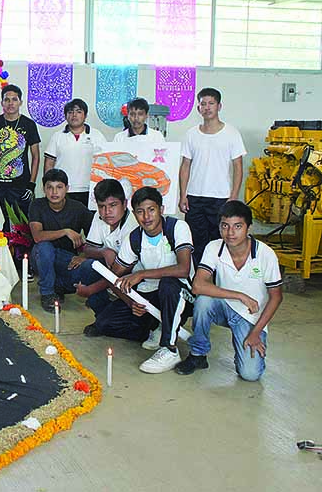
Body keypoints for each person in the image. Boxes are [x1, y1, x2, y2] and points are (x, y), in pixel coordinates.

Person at [85, 187, 194, 374]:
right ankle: (155, 328)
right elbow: (115, 278)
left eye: (151, 210)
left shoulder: (177, 227)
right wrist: (130, 302)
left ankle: (169, 349)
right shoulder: (134, 238)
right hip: (150, 293)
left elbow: (183, 269)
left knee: (169, 284)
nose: (146, 217)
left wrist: (142, 274)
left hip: (182, 293)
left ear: (161, 209)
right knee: (104, 323)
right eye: (140, 211)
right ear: (134, 214)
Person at [176, 201, 283, 381]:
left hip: (250, 317)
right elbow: (197, 285)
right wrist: (240, 296)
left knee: (250, 374)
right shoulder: (214, 247)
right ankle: (198, 354)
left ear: (249, 227)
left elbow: (276, 297)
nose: (230, 232)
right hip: (223, 307)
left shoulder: (265, 254)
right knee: (203, 301)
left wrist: (256, 332)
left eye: (237, 226)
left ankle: (242, 352)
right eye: (225, 226)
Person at [179, 87, 246, 266]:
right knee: (196, 242)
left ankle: (219, 277)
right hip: (194, 198)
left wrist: (233, 196)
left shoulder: (231, 133)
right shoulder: (191, 134)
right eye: (203, 104)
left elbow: (238, 166)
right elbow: (185, 166)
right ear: (198, 108)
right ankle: (198, 278)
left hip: (221, 198)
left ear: (219, 106)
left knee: (220, 241)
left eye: (211, 103)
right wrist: (183, 195)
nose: (207, 107)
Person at [29, 169, 94, 311]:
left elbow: (94, 238)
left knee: (90, 266)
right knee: (45, 247)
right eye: (50, 187)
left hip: (66, 259)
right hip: (41, 257)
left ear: (67, 188)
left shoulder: (78, 208)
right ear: (44, 189)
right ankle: (47, 293)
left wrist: (83, 256)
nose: (54, 192)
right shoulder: (37, 205)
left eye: (59, 187)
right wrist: (66, 231)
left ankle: (58, 286)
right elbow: (38, 236)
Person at [74, 179, 141, 315]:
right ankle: (101, 313)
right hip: (112, 272)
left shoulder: (133, 226)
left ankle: (114, 311)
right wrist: (104, 251)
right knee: (87, 266)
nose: (107, 212)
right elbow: (88, 249)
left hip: (132, 277)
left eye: (113, 205)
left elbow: (120, 272)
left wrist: (90, 290)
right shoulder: (99, 217)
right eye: (102, 206)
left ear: (124, 204)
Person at [0, 84, 41, 230]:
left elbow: (35, 156)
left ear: (20, 102)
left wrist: (32, 184)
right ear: (2, 102)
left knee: (22, 225)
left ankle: (22, 247)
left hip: (21, 184)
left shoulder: (29, 124)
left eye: (14, 99)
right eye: (7, 100)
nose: (10, 103)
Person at [43, 99, 107, 207]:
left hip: (90, 189)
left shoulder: (97, 135)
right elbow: (49, 163)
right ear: (65, 116)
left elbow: (105, 162)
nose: (74, 115)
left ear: (85, 116)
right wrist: (48, 186)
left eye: (78, 112)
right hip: (63, 190)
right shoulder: (57, 136)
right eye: (70, 112)